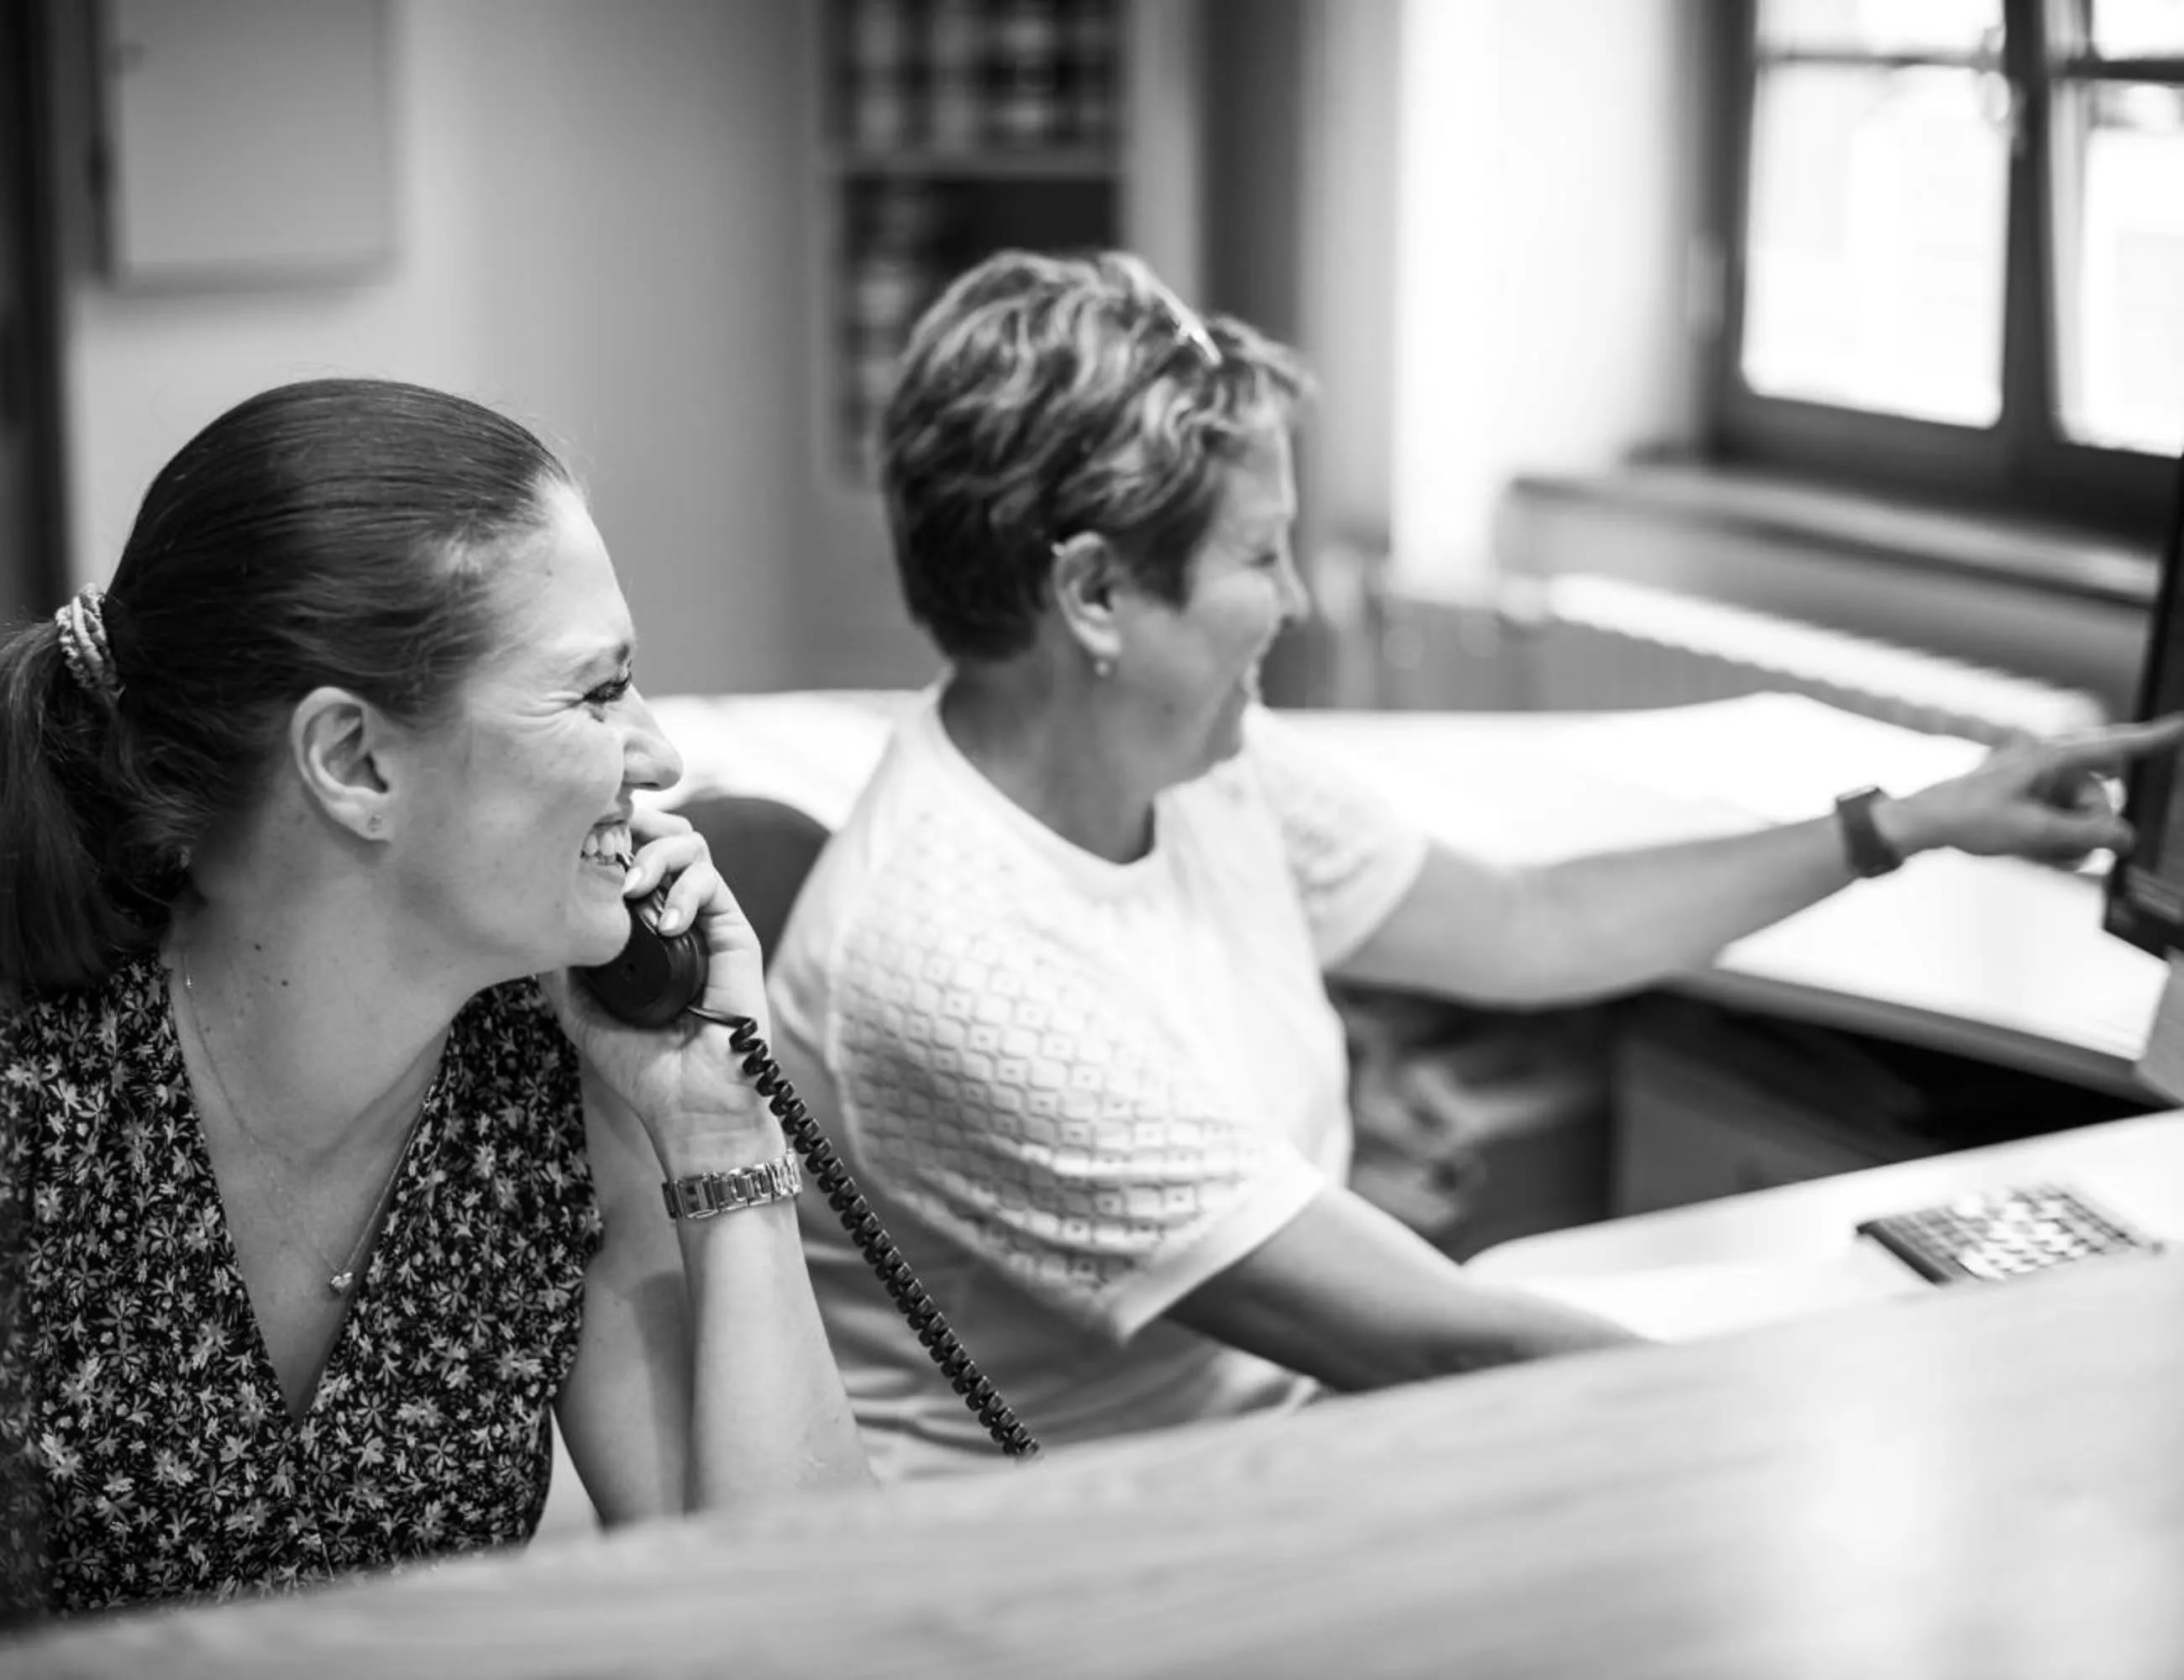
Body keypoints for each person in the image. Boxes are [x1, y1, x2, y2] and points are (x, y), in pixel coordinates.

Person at [764, 249, 2184, 1478]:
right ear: (1093, 595)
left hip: (1280, 1452)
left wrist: (1901, 825)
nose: (1302, 599)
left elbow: (1528, 925)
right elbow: (1439, 1342)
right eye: (1263, 555)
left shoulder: (1203, 773)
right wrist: (1900, 1407)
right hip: (1075, 1555)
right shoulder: (947, 954)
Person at [0, 378, 870, 1669]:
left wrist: (715, 1120)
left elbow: (790, 1631)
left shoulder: (549, 1094)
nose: (659, 757)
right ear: (352, 762)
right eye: (596, 693)